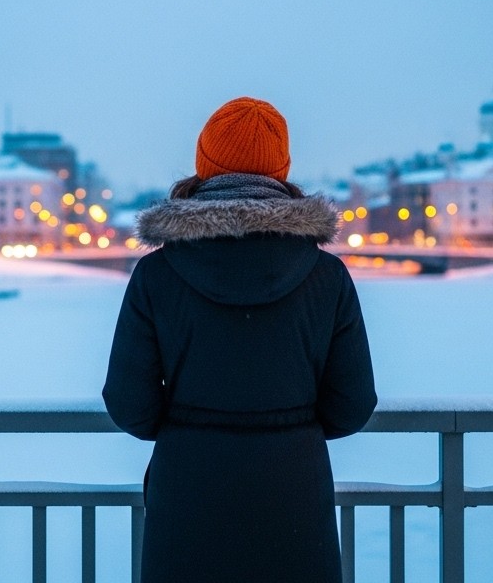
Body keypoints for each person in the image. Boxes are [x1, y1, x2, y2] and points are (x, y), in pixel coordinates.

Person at [103, 96, 378, 582]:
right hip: (295, 504)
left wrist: (189, 427)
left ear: (203, 166)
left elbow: (130, 405)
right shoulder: (327, 277)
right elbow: (352, 405)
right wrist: (290, 427)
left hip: (186, 503)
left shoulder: (156, 275)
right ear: (282, 170)